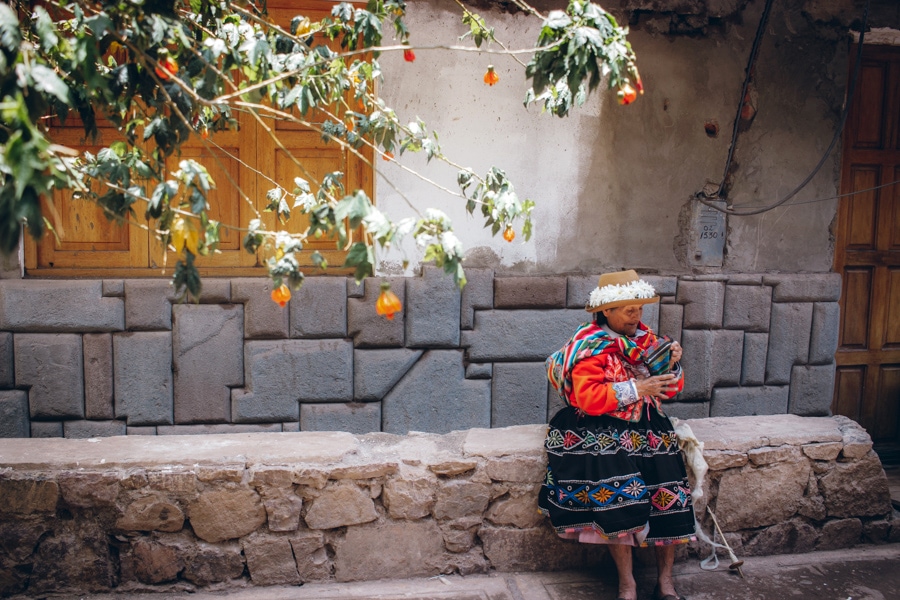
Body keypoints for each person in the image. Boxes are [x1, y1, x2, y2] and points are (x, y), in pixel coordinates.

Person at [539, 270, 696, 600]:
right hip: (605, 430)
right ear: (606, 311)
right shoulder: (589, 347)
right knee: (619, 499)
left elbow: (671, 390)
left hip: (651, 428)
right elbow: (587, 397)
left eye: (639, 309)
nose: (636, 316)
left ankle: (666, 583)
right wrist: (638, 388)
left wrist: (673, 366)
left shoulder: (648, 342)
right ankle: (628, 584)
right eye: (628, 310)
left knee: (670, 499)